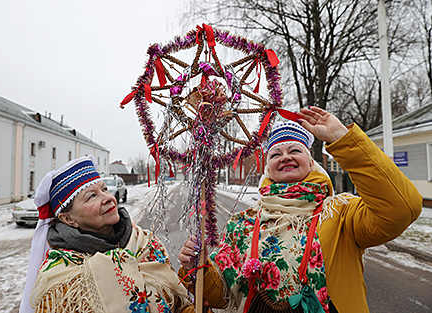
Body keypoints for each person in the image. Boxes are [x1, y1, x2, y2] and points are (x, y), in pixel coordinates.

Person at [178, 107, 423, 313]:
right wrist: (196, 267)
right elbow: (221, 295)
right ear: (268, 168)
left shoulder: (340, 213)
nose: (285, 157)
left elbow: (402, 208)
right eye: (275, 153)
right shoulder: (242, 224)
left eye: (295, 150)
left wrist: (342, 139)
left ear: (311, 162)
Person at [20, 155, 193, 313]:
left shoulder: (146, 243)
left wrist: (192, 274)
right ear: (68, 218)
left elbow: (178, 304)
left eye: (104, 189)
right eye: (92, 196)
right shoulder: (60, 279)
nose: (108, 198)